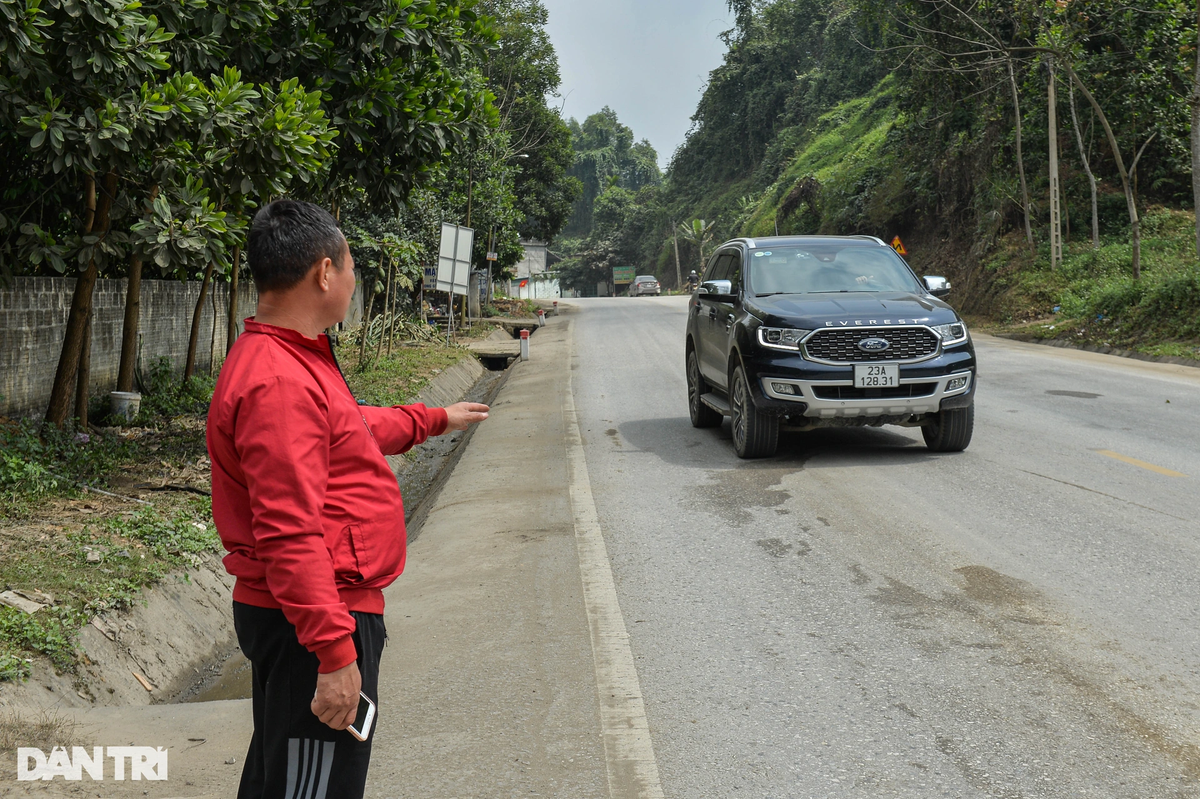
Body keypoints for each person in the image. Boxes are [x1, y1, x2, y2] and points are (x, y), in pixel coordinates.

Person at [206, 199, 489, 799]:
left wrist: (435, 417)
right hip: (315, 616)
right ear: (324, 273)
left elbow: (348, 428)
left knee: (281, 775)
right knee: (312, 786)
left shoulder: (291, 357)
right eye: (351, 264)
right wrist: (334, 654)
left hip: (309, 613)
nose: (354, 278)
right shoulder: (279, 380)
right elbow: (288, 532)